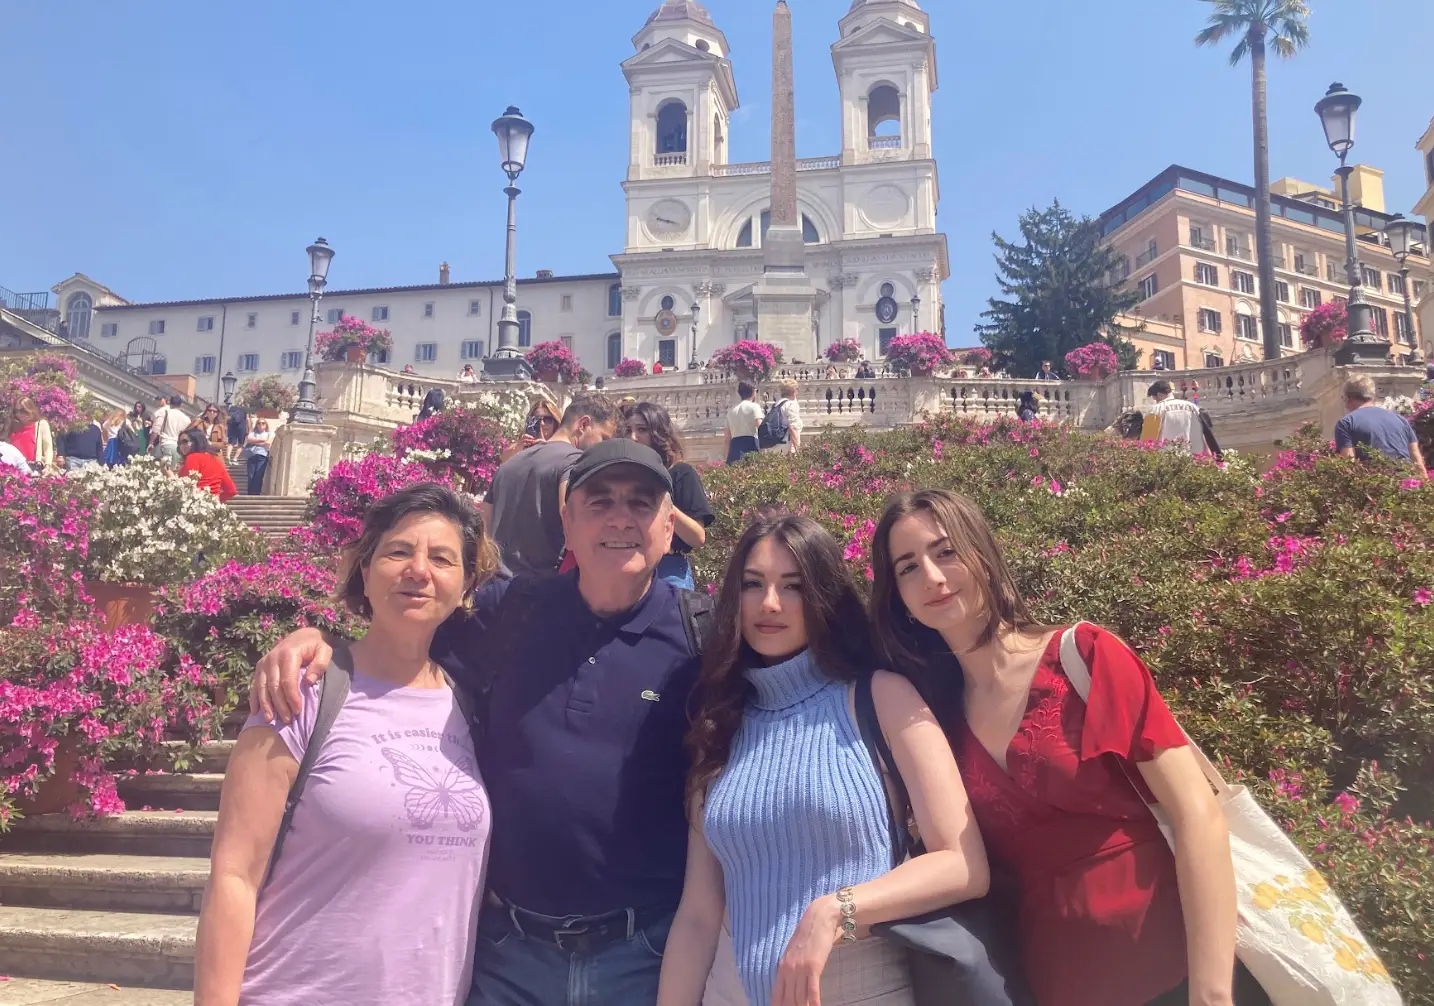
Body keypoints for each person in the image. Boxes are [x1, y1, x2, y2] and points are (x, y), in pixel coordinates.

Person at [250, 438, 703, 1005]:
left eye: (641, 503)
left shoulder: (701, 637)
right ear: (566, 519)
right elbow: (401, 631)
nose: (620, 518)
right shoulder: (512, 610)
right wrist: (318, 640)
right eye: (599, 501)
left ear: (668, 525)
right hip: (508, 957)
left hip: (646, 957)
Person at [869, 490, 1263, 1006]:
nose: (933, 578)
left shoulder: (1086, 657)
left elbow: (1197, 814)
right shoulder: (935, 722)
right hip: (1060, 983)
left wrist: (1212, 994)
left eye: (946, 552)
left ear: (982, 553)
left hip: (1178, 971)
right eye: (907, 568)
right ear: (899, 597)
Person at [657, 514, 988, 1006]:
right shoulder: (722, 722)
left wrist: (835, 911)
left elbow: (963, 864)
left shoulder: (881, 697)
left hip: (865, 990)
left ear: (824, 597)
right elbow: (699, 914)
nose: (769, 604)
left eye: (793, 587)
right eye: (753, 584)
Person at [195, 485, 497, 1005]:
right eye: (398, 551)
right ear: (365, 569)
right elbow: (234, 875)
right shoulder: (305, 691)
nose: (418, 570)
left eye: (442, 558)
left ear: (467, 584)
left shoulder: (469, 704)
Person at [483, 392, 616, 577]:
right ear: (583, 425)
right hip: (544, 589)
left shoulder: (508, 465)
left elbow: (484, 527)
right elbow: (573, 521)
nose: (603, 448)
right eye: (603, 438)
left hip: (495, 588)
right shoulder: (575, 462)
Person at [625, 402, 713, 590]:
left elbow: (697, 538)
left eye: (641, 429)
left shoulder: (681, 473)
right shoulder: (621, 478)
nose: (632, 437)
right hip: (629, 568)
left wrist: (661, 501)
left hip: (669, 572)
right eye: (628, 430)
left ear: (657, 434)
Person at [1334, 376, 1428, 478]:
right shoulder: (1401, 420)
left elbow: (1348, 465)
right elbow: (1417, 460)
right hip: (1405, 485)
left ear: (1348, 399)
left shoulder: (1346, 423)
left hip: (1376, 486)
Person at [1141, 381, 1216, 456]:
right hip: (1194, 459)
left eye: (1155, 399)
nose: (1156, 402)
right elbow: (1204, 436)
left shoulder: (1155, 410)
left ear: (1159, 395)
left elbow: (1147, 441)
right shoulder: (1194, 407)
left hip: (1168, 459)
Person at [178, 428, 238, 501]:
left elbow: (186, 485)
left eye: (185, 442)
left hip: (196, 506)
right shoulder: (216, 461)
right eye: (179, 443)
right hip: (212, 507)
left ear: (196, 441)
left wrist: (169, 474)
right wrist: (214, 501)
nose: (181, 446)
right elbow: (231, 491)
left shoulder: (193, 457)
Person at [499, 397, 561, 464]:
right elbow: (504, 463)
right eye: (536, 419)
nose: (542, 423)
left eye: (548, 420)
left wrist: (546, 449)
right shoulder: (521, 445)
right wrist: (517, 449)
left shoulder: (561, 448)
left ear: (556, 423)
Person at [5, 398, 53, 472]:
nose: (19, 414)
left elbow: (48, 448)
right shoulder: (12, 425)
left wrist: (47, 465)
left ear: (30, 409)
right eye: (17, 411)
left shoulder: (41, 424)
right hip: (13, 469)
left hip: (32, 468)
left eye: (23, 411)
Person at [725, 382, 764, 465]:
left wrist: (727, 456)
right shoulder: (754, 407)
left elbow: (727, 438)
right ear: (754, 392)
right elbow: (760, 427)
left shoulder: (731, 411)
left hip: (734, 447)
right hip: (750, 444)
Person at [766, 380, 802, 455]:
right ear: (793, 391)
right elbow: (793, 428)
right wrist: (797, 449)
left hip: (773, 445)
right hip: (786, 446)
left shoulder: (776, 405)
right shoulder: (791, 404)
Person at [151, 395, 189, 466]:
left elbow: (155, 430)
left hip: (164, 445)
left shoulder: (165, 413)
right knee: (173, 472)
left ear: (170, 404)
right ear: (181, 405)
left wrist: (151, 443)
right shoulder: (187, 419)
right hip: (178, 449)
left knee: (158, 471)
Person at [245, 419, 275, 495]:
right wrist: (262, 441)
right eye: (259, 423)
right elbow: (249, 439)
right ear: (256, 424)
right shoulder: (252, 433)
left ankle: (256, 494)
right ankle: (250, 494)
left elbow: (268, 443)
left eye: (263, 423)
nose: (261, 424)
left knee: (258, 475)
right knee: (250, 475)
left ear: (266, 425)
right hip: (252, 455)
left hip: (263, 456)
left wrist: (255, 442)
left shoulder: (269, 433)